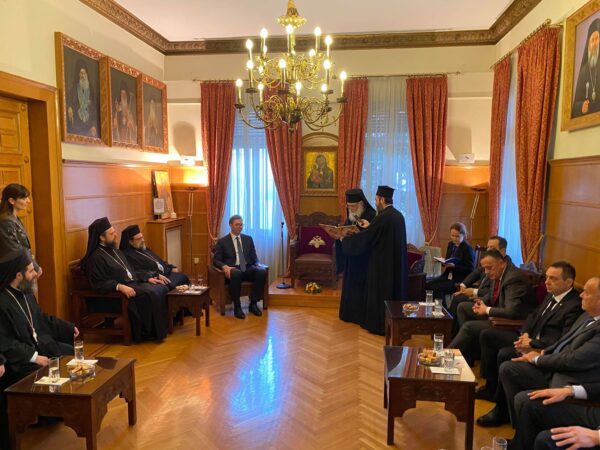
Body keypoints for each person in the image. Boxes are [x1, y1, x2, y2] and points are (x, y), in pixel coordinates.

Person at [493, 276, 600, 428]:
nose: (581, 295)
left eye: (587, 293)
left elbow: (576, 359)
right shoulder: (586, 315)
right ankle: (514, 421)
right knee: (509, 368)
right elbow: (563, 340)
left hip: (569, 379)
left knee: (524, 399)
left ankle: (523, 431)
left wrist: (537, 359)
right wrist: (544, 352)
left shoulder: (578, 309)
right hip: (553, 366)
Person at [476, 261, 581, 410]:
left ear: (568, 282)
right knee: (488, 335)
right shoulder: (552, 294)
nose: (547, 282)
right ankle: (490, 387)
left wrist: (532, 343)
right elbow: (533, 315)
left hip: (543, 348)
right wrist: (525, 333)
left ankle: (501, 408)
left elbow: (564, 339)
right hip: (528, 339)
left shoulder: (574, 305)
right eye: (547, 277)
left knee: (505, 354)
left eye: (553, 278)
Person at [0, 249, 77, 448]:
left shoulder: (26, 293)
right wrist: (35, 357)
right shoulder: (2, 302)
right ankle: (40, 415)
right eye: (30, 270)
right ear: (18, 275)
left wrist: (67, 328)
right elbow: (6, 343)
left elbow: (42, 319)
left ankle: (59, 411)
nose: (35, 273)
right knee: (43, 370)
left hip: (38, 346)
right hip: (18, 360)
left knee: (70, 353)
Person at [80, 217, 168, 342]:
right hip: (111, 297)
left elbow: (130, 272)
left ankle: (155, 331)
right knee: (150, 294)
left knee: (159, 288)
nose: (116, 235)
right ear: (102, 237)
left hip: (129, 286)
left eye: (114, 231)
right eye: (111, 233)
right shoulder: (95, 258)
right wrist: (119, 287)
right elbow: (99, 283)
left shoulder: (115, 251)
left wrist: (148, 277)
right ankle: (144, 333)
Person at [341, 185, 408, 335]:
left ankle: (378, 326)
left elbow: (368, 238)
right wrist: (369, 226)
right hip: (395, 264)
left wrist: (344, 240)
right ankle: (394, 324)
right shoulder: (398, 215)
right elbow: (381, 234)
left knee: (381, 295)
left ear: (382, 200)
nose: (375, 202)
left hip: (382, 265)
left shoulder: (382, 217)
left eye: (376, 199)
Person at [448, 249, 535, 364]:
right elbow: (491, 294)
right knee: (463, 307)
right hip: (498, 314)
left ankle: (447, 355)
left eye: (489, 268)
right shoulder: (498, 272)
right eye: (484, 268)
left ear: (501, 263)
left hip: (511, 323)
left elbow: (511, 311)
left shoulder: (514, 278)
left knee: (468, 327)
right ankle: (468, 354)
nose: (486, 272)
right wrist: (480, 303)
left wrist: (486, 309)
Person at [448, 235, 509, 335]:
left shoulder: (503, 267)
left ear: (503, 251)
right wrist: (463, 285)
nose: (488, 250)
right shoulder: (489, 260)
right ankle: (451, 332)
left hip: (492, 305)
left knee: (460, 301)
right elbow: (476, 273)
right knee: (458, 298)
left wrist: (474, 292)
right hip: (484, 295)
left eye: (492, 248)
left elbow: (495, 292)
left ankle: (452, 333)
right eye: (488, 247)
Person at [213, 215, 267, 319]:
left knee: (262, 272)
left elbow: (254, 256)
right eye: (237, 225)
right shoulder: (222, 241)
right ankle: (237, 307)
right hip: (232, 269)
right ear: (230, 225)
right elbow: (216, 260)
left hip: (246, 267)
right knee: (236, 273)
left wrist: (258, 263)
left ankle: (253, 304)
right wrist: (224, 266)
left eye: (241, 225)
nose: (240, 227)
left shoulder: (248, 239)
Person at [336, 189, 376, 325]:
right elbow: (347, 229)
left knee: (360, 289)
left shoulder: (371, 216)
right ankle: (348, 314)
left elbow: (367, 239)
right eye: (349, 206)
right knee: (350, 287)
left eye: (353, 206)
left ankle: (359, 316)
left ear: (361, 204)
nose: (351, 209)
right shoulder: (352, 215)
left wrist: (346, 241)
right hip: (351, 258)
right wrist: (339, 235)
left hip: (364, 260)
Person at [119, 224, 189, 292]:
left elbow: (158, 261)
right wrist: (153, 275)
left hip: (165, 274)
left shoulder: (143, 248)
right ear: (130, 242)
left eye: (142, 237)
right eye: (139, 239)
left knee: (183, 277)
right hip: (154, 278)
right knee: (169, 285)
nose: (143, 240)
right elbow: (136, 271)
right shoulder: (126, 255)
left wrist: (170, 267)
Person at [425, 222, 475, 300]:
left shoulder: (467, 248)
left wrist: (455, 266)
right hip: (447, 276)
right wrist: (441, 261)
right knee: (427, 285)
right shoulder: (451, 244)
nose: (454, 238)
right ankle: (433, 305)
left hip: (459, 279)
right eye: (452, 235)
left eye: (457, 236)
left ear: (464, 235)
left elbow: (470, 269)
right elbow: (448, 261)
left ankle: (442, 307)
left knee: (436, 288)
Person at [0, 184, 41, 274]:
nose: (28, 201)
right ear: (12, 200)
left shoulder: (14, 218)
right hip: (14, 269)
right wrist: (35, 267)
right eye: (24, 198)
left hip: (22, 265)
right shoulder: (6, 221)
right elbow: (15, 249)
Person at [572, 18, 600, 118]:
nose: (595, 44)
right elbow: (575, 105)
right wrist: (581, 107)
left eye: (597, 39)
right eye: (592, 40)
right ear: (588, 45)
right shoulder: (584, 71)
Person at [66, 59, 98, 137]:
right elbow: (68, 103)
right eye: (81, 73)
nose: (83, 76)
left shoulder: (91, 91)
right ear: (78, 75)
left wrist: (94, 125)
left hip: (89, 129)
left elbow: (95, 111)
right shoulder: (74, 89)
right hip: (77, 128)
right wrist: (69, 107)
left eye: (84, 73)